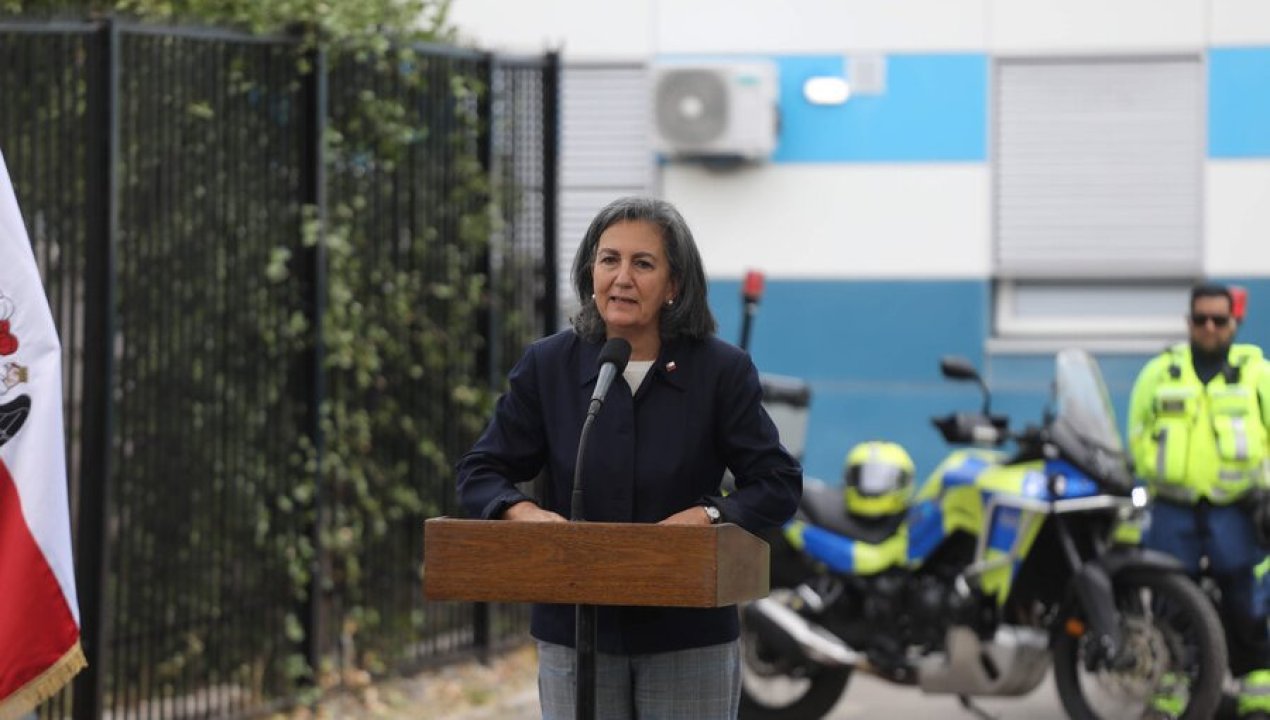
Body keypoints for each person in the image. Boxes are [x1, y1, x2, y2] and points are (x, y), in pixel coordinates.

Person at [456, 196, 802, 719]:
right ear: (590, 272)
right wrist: (522, 513)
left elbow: (777, 482)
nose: (621, 278)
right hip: (576, 627)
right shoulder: (548, 365)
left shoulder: (720, 370)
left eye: (643, 264)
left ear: (674, 284)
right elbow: (481, 471)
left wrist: (710, 514)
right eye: (609, 260)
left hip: (686, 630)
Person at [1128, 282, 1270, 719]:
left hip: (1238, 510)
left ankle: (1256, 694)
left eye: (1219, 319)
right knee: (1171, 604)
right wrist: (1149, 476)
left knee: (1247, 603)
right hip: (1173, 510)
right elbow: (1136, 432)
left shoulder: (1257, 374)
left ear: (1234, 323)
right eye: (1201, 319)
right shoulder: (1160, 373)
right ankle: (1171, 694)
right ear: (1188, 322)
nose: (1210, 327)